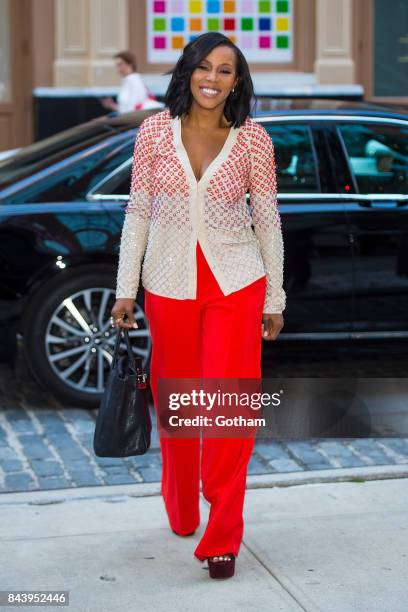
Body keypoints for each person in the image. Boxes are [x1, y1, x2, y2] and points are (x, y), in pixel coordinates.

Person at [111, 32, 286, 580]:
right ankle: (183, 506)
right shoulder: (153, 134)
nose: (213, 78)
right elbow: (138, 213)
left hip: (237, 284)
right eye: (204, 67)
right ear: (187, 72)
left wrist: (275, 295)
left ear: (238, 81)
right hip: (167, 284)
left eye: (226, 70)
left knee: (230, 411)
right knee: (179, 406)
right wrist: (125, 289)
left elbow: (269, 221)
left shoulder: (253, 140)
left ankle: (222, 538)